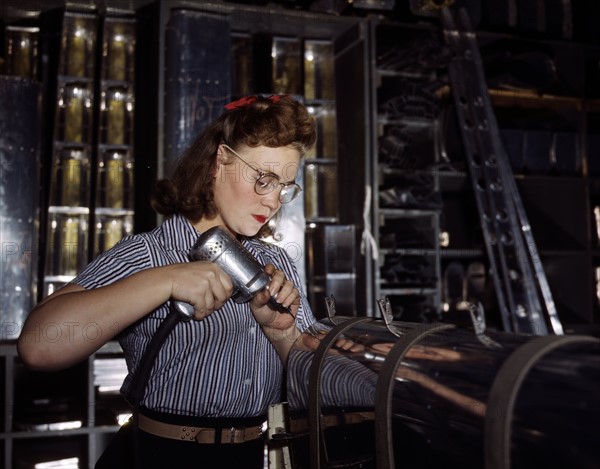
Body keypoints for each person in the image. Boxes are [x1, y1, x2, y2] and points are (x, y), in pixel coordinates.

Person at [17, 94, 318, 468]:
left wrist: (282, 334)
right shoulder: (149, 254)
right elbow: (37, 346)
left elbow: (316, 387)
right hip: (160, 455)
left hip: (247, 457)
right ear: (220, 160)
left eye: (284, 187)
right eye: (264, 180)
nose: (274, 201)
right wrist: (164, 280)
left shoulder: (275, 263)